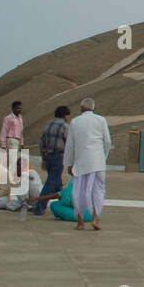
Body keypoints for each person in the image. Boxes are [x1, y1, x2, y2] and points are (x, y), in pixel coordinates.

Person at [64, 97, 113, 230]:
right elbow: (107, 141)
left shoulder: (75, 121)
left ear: (81, 108)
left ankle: (80, 222)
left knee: (79, 192)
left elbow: (70, 145)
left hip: (81, 163)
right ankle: (95, 219)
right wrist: (103, 157)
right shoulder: (101, 120)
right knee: (98, 191)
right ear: (93, 108)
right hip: (98, 162)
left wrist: (69, 163)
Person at [33, 105, 71, 216]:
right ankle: (40, 207)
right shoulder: (65, 126)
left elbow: (41, 143)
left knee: (57, 183)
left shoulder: (48, 125)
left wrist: (43, 158)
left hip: (48, 156)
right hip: (58, 156)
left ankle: (63, 201)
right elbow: (69, 144)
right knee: (51, 182)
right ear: (65, 115)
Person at [0, 101, 24, 176]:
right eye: (18, 108)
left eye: (20, 108)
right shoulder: (8, 118)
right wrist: (3, 145)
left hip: (17, 140)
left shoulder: (20, 118)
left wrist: (22, 143)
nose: (19, 110)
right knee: (13, 159)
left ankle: (11, 175)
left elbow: (21, 130)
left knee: (17, 159)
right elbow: (4, 130)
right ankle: (11, 176)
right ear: (13, 108)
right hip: (11, 139)